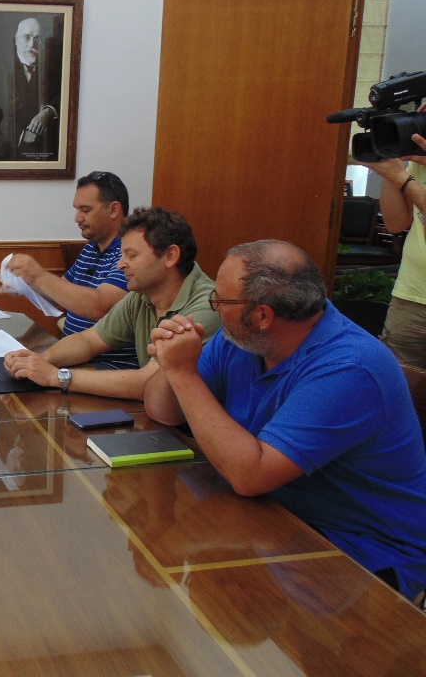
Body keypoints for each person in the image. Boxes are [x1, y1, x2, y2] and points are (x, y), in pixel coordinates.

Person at [144, 239, 426, 601]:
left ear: (262, 316)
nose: (214, 308)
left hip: (360, 550)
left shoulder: (350, 367)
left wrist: (184, 374)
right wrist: (170, 365)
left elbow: (251, 475)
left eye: (221, 301)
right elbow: (162, 411)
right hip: (273, 515)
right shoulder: (241, 341)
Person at [3, 207, 220, 399]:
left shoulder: (208, 305)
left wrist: (57, 376)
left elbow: (148, 383)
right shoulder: (141, 295)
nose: (120, 265)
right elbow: (89, 341)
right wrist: (39, 360)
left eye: (131, 255)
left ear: (170, 256)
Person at [5, 171, 134, 367]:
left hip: (108, 365)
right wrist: (26, 283)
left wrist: (39, 276)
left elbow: (99, 307)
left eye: (85, 210)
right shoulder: (91, 248)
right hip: (72, 357)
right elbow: (59, 297)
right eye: (76, 209)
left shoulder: (129, 254)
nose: (77, 218)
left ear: (114, 210)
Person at [354, 105, 426, 368]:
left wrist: (404, 180)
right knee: (396, 381)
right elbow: (397, 223)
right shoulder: (420, 158)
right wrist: (390, 167)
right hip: (411, 295)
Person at [12, 17, 59, 161]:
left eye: (36, 39)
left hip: (46, 151)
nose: (32, 44)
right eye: (27, 37)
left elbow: (65, 96)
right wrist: (22, 135)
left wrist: (48, 111)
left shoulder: (51, 69)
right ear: (16, 39)